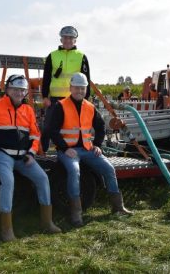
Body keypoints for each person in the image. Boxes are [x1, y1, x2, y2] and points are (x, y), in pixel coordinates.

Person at [0, 75, 61, 241]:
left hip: (24, 157)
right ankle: (7, 230)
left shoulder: (28, 110)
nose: (19, 93)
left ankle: (47, 222)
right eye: (15, 89)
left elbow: (35, 135)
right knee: (8, 182)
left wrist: (31, 153)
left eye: (22, 90)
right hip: (3, 156)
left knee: (43, 178)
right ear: (7, 90)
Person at [44, 73, 132, 227]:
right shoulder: (61, 106)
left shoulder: (90, 107)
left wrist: (97, 144)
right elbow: (52, 130)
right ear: (71, 88)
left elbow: (100, 127)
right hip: (68, 151)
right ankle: (76, 214)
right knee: (74, 170)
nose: (79, 91)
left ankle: (118, 207)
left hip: (87, 149)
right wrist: (64, 148)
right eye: (77, 88)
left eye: (82, 88)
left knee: (109, 169)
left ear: (85, 90)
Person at [41, 26, 91, 151]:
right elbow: (46, 78)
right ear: (61, 39)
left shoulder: (81, 56)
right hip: (54, 99)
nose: (68, 40)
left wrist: (86, 98)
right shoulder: (52, 56)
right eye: (65, 38)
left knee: (75, 128)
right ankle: (43, 152)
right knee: (47, 127)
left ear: (75, 40)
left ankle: (77, 150)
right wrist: (44, 96)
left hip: (73, 98)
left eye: (71, 38)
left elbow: (86, 79)